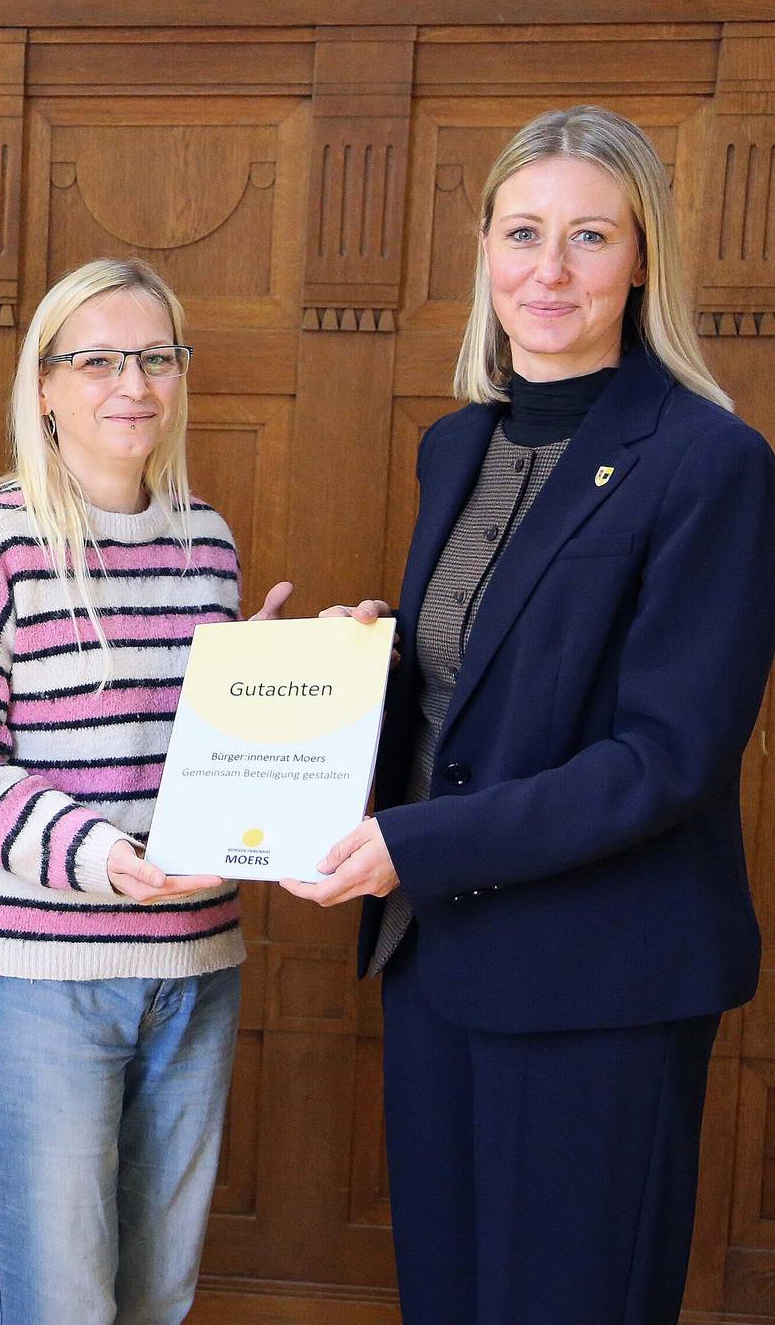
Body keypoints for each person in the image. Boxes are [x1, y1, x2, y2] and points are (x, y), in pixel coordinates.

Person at [299, 105, 775, 1324]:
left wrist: (418, 843)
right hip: (440, 960)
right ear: (487, 253)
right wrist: (361, 668)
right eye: (523, 232)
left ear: (644, 260)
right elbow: (479, 692)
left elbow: (663, 758)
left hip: (600, 981)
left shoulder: (710, 461)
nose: (548, 271)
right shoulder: (458, 445)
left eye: (588, 237)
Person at [0, 258, 287, 1324]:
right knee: (57, 1304)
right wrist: (106, 858)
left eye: (158, 357)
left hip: (197, 966)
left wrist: (291, 689)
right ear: (44, 384)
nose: (135, 384)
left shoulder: (204, 539)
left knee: (154, 1298)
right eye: (100, 359)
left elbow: (194, 752)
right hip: (37, 979)